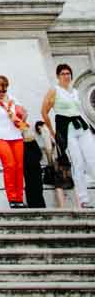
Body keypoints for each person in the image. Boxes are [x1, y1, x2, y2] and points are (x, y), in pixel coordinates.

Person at [42, 63, 95, 209]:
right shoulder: (54, 90)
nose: (66, 76)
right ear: (58, 76)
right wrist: (52, 131)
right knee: (77, 163)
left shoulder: (75, 91)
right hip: (67, 129)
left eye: (68, 73)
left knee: (92, 159)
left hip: (81, 126)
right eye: (63, 74)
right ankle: (83, 200)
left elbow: (79, 110)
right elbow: (44, 111)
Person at [0, 75, 26, 208]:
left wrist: (21, 115)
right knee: (10, 165)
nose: (1, 93)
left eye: (4, 90)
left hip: (16, 136)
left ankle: (19, 198)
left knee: (19, 167)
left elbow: (23, 114)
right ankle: (12, 198)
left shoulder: (13, 99)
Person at [22, 126, 45, 208]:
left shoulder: (22, 145)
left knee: (30, 188)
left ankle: (33, 206)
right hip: (35, 168)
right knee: (37, 189)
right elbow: (39, 155)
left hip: (28, 169)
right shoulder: (32, 143)